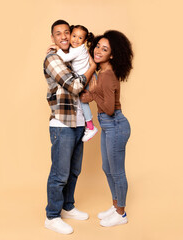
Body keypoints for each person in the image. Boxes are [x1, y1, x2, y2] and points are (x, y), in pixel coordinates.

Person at [43, 19, 96, 235]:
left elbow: (84, 94)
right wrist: (92, 67)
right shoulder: (52, 58)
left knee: (74, 171)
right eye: (59, 33)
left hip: (79, 123)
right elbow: (75, 87)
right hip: (62, 124)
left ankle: (68, 206)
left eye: (68, 32)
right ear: (53, 38)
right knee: (60, 174)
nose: (65, 36)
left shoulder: (73, 56)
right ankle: (52, 216)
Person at [81, 30, 133, 227]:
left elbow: (110, 108)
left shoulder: (107, 75)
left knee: (117, 172)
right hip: (109, 125)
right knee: (107, 168)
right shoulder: (101, 72)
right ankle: (115, 205)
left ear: (112, 55)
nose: (98, 51)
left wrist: (93, 94)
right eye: (97, 47)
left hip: (116, 125)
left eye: (105, 49)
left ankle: (121, 213)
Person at [49, 25, 98, 142]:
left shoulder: (79, 49)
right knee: (83, 99)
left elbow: (65, 58)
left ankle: (90, 126)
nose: (76, 40)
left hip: (88, 77)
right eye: (74, 36)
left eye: (80, 38)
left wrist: (56, 48)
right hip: (85, 75)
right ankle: (89, 125)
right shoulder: (74, 48)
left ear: (84, 41)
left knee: (83, 99)